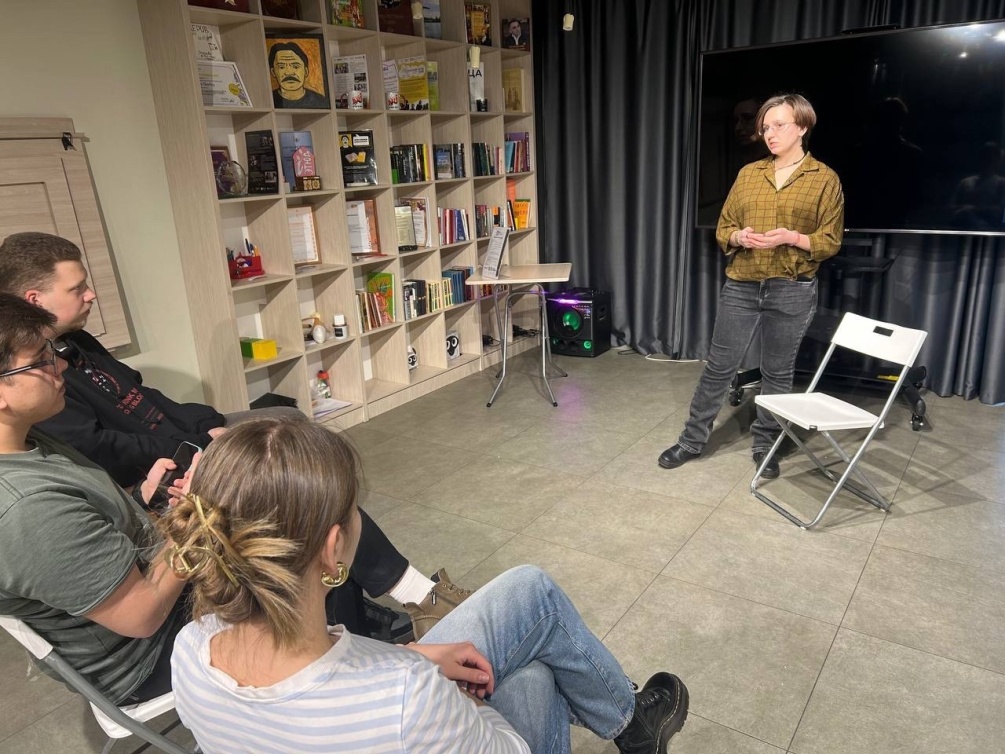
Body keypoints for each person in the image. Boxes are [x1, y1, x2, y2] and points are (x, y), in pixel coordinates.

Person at [0, 232, 464, 641]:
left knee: (299, 451)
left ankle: (364, 616)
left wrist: (194, 441)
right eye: (40, 360)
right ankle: (397, 609)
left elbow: (144, 407)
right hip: (167, 612)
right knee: (308, 498)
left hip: (168, 507)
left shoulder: (46, 426)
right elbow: (139, 612)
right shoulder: (30, 502)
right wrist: (195, 504)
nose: (56, 365)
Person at [164, 416, 690, 753]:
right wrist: (447, 693)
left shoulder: (191, 650)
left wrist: (411, 655)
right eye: (355, 510)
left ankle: (632, 726)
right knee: (532, 673)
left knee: (528, 606)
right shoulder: (406, 697)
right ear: (332, 549)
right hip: (406, 707)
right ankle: (631, 724)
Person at [659, 93, 844, 478]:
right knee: (719, 367)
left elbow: (830, 241)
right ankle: (692, 440)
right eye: (765, 127)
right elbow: (723, 227)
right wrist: (738, 237)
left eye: (779, 125)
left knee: (777, 372)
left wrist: (792, 237)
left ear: (802, 127)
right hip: (742, 285)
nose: (768, 133)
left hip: (791, 287)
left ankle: (766, 444)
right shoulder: (749, 174)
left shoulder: (824, 179)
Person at [269, 41, 328, 108]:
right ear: (273, 72)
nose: (289, 72)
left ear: (306, 71)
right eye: (281, 67)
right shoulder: (268, 101)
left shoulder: (320, 102)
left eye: (296, 66)